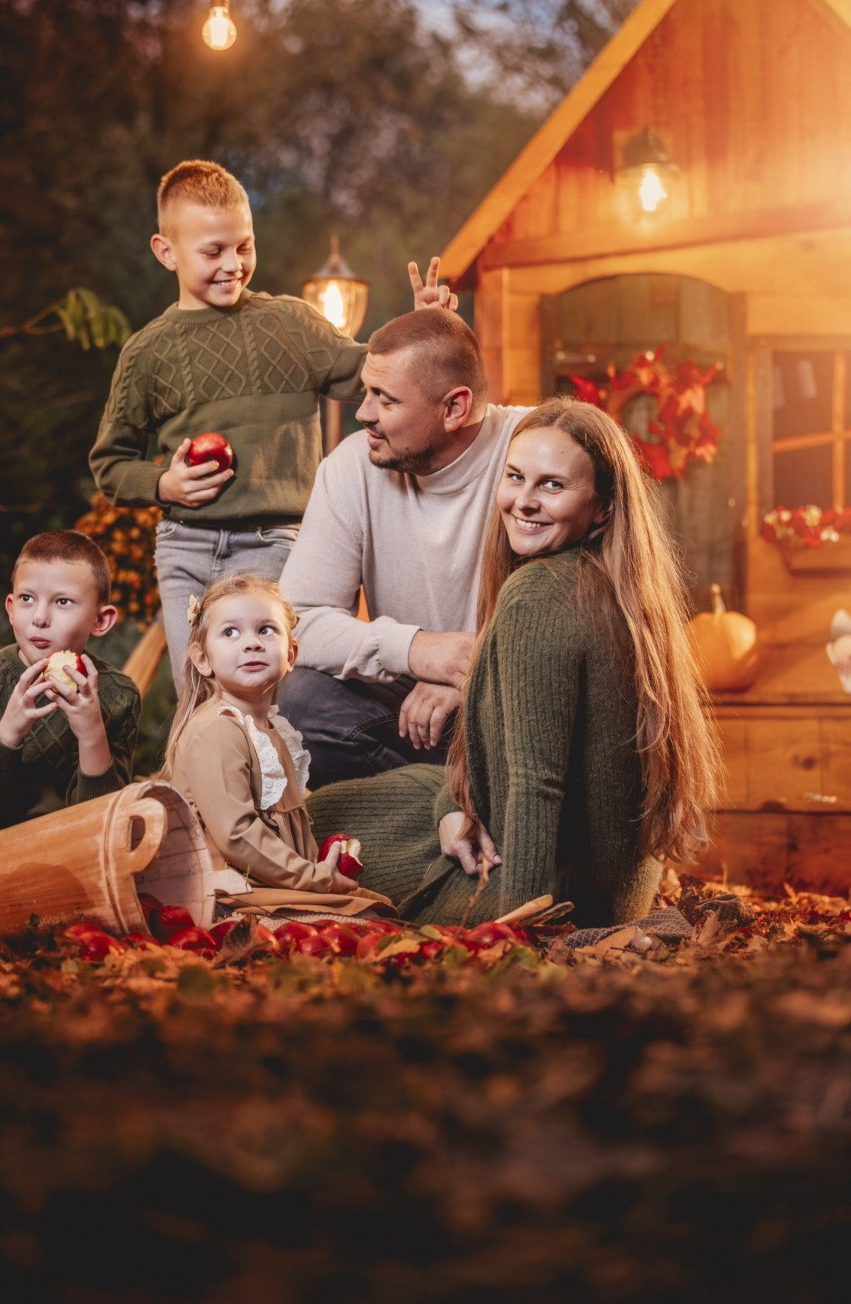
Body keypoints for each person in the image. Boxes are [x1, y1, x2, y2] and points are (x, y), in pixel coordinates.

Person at [306, 397, 722, 929]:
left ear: (602, 506)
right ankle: (446, 813)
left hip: (547, 886)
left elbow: (535, 784)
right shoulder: (618, 587)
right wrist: (453, 807)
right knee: (387, 798)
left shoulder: (536, 595)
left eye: (551, 485)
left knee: (314, 827)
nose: (522, 502)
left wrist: (518, 924)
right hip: (617, 885)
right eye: (515, 477)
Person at [89, 158, 455, 692]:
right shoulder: (147, 353)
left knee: (280, 697)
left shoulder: (293, 325)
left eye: (244, 246)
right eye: (212, 251)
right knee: (198, 695)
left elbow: (372, 374)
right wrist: (163, 483)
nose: (232, 263)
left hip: (280, 548)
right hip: (185, 548)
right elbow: (110, 463)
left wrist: (425, 329)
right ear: (166, 252)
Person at [279, 309, 529, 786]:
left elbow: (584, 608)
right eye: (366, 391)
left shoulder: (533, 449)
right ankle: (456, 801)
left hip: (521, 690)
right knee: (299, 702)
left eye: (385, 399)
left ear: (455, 408)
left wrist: (477, 676)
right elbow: (298, 621)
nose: (363, 413)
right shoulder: (352, 467)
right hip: (417, 709)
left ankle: (458, 804)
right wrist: (416, 650)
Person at [162, 574, 393, 919]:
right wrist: (316, 878)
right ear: (202, 659)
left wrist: (318, 865)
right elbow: (237, 836)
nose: (251, 643)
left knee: (379, 908)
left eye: (266, 630)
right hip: (227, 893)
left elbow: (287, 824)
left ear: (291, 655)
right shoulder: (217, 729)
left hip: (274, 885)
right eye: (230, 632)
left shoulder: (270, 730)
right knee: (366, 922)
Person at [0, 530, 141, 885]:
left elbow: (107, 826)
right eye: (27, 598)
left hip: (76, 863)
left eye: (62, 602)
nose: (39, 617)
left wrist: (92, 734)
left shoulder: (118, 694)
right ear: (10, 607)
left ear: (101, 620)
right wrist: (9, 733)